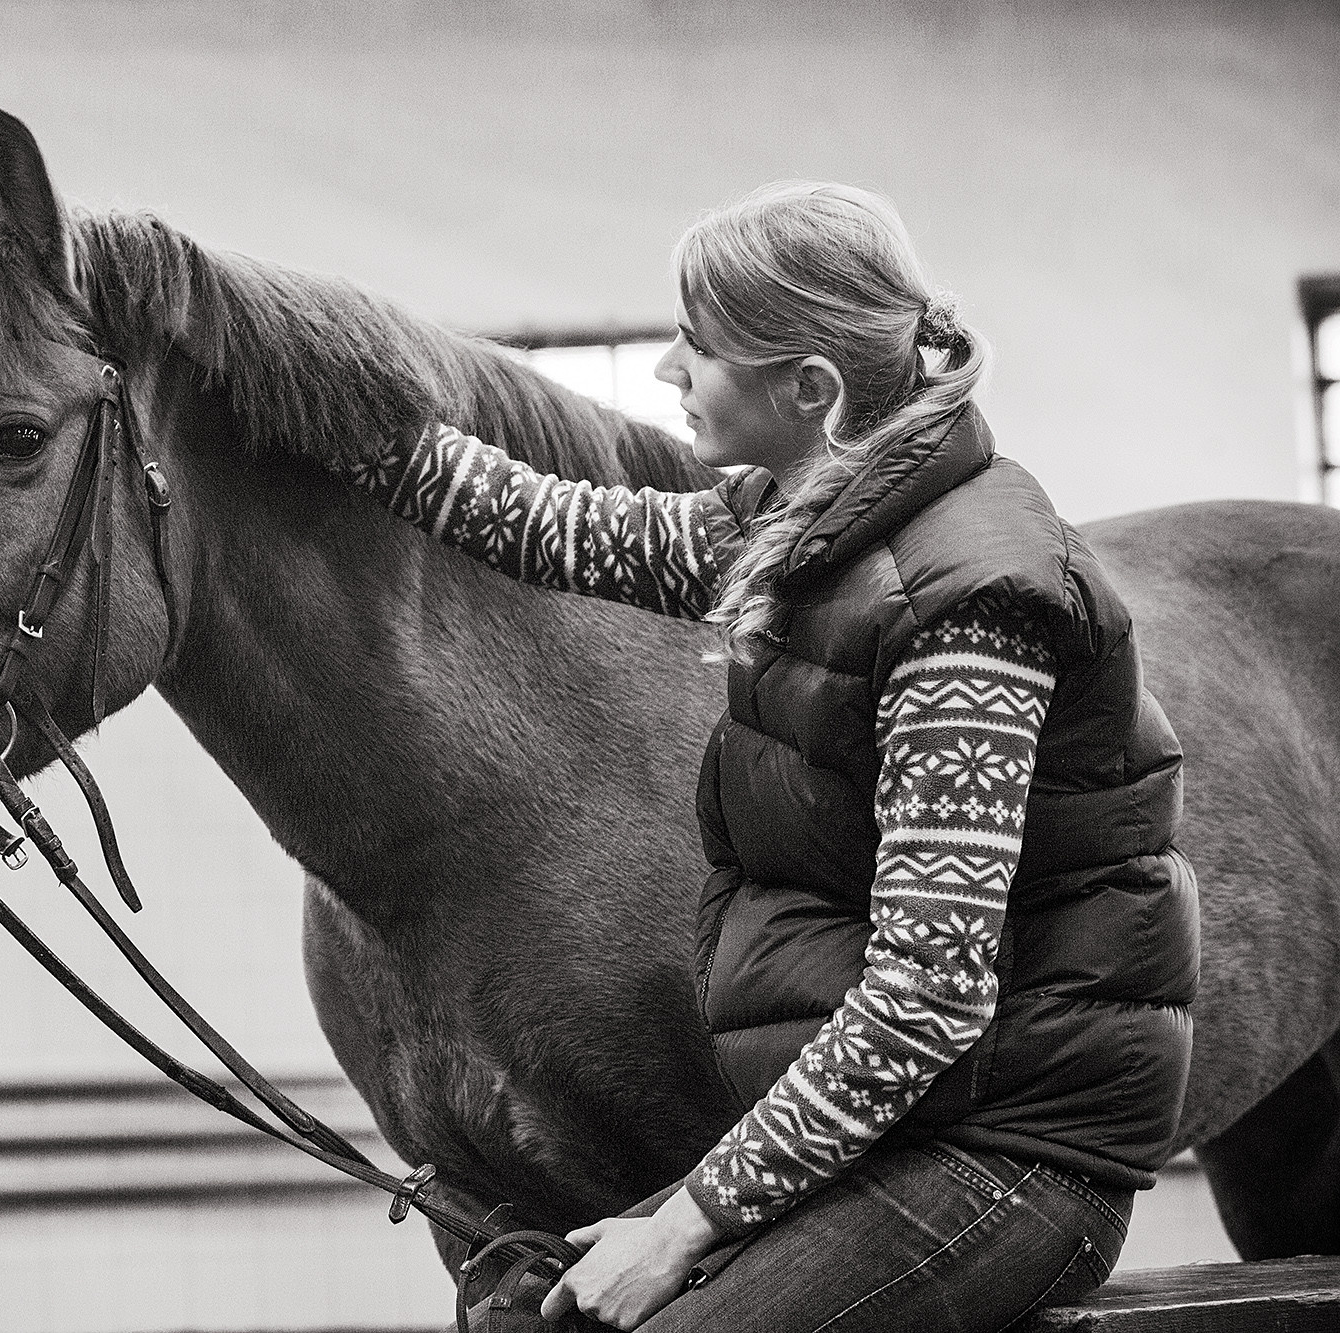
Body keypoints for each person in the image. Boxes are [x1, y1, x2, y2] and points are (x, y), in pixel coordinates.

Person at [342, 182, 1196, 1332]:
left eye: (696, 349)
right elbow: (555, 526)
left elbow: (926, 997)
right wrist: (315, 397)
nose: (666, 371)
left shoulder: (968, 606)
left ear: (809, 389)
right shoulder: (799, 523)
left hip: (1005, 1153)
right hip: (892, 1127)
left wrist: (682, 1223)